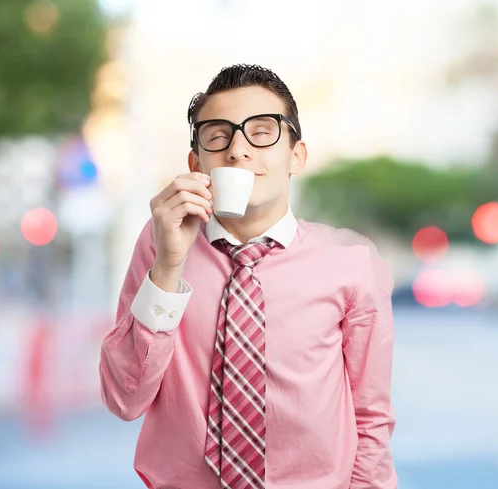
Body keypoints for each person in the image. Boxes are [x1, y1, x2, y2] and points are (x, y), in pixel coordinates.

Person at [99, 64, 397, 489]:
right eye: (218, 136)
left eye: (261, 132)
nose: (238, 150)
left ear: (297, 156)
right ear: (195, 161)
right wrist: (167, 267)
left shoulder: (351, 262)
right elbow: (124, 399)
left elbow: (371, 422)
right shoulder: (159, 244)